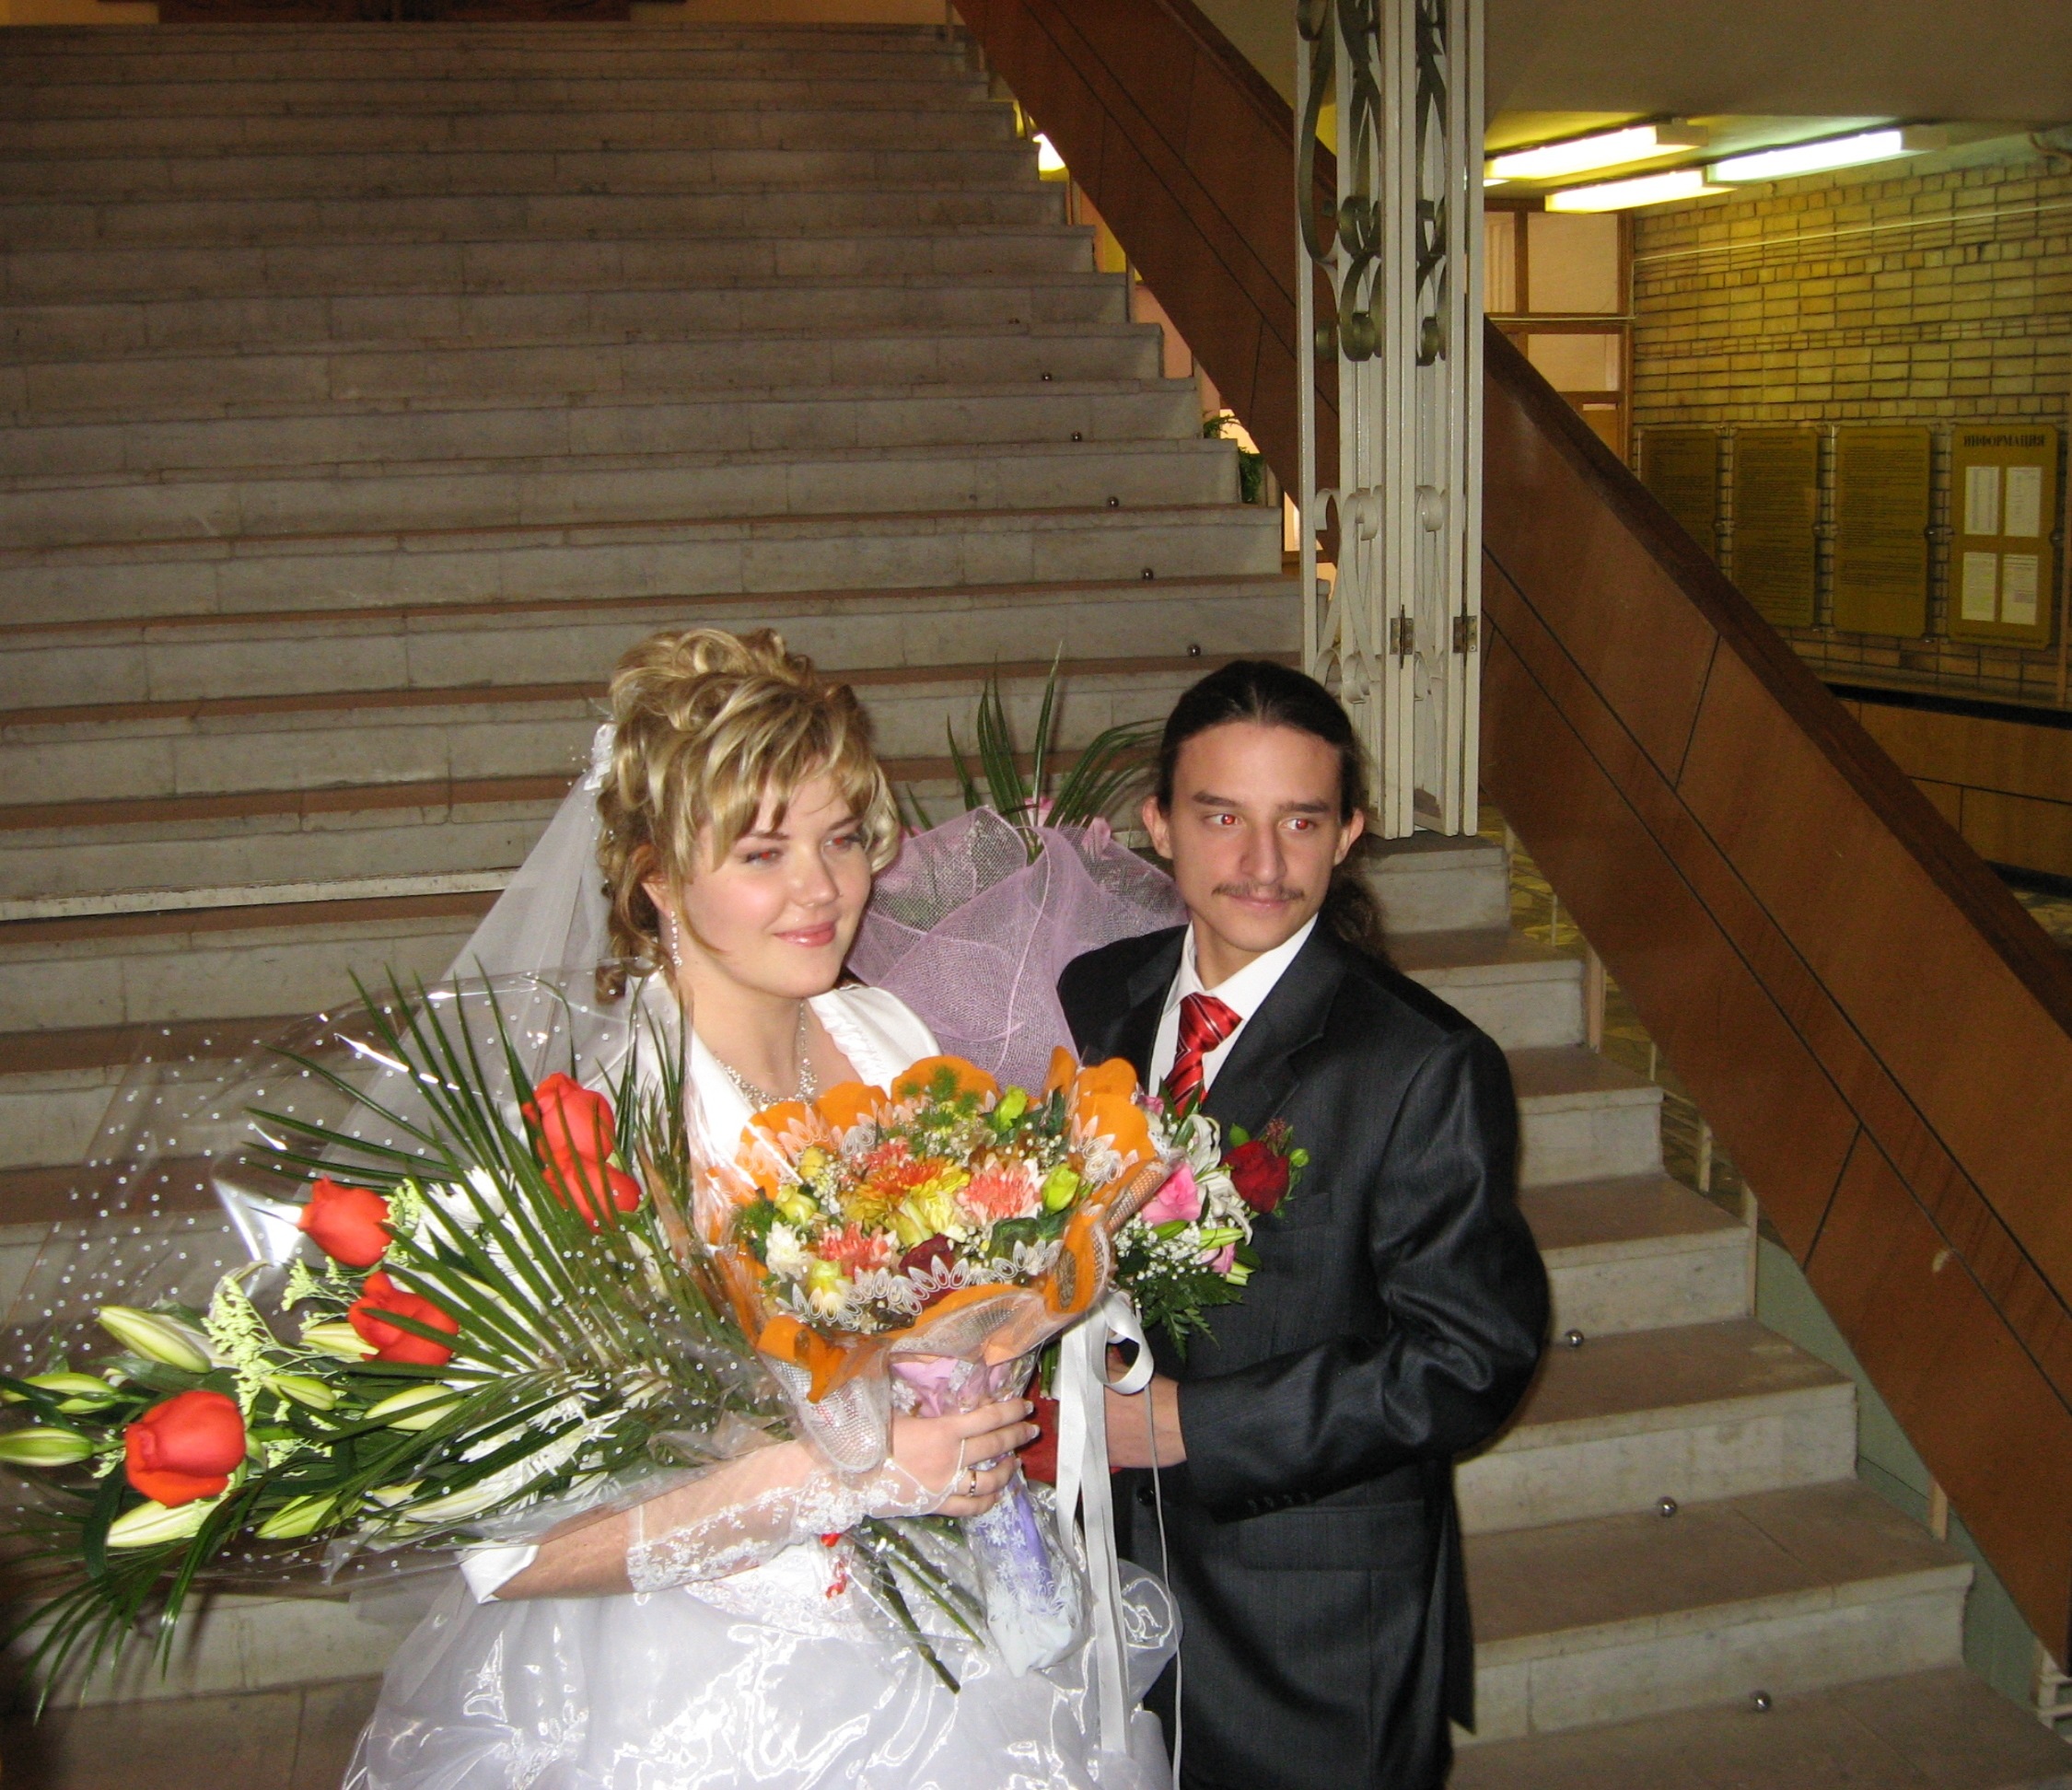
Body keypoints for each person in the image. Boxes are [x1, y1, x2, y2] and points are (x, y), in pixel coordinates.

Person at [346, 628, 1171, 1790]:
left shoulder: (882, 1032)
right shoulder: (615, 1129)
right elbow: (512, 1551)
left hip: (946, 1616)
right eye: (762, 853)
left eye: (840, 839)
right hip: (716, 1686)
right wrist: (860, 1476)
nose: (821, 889)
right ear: (656, 879)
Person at [1057, 660, 1549, 1790]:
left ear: (1348, 835)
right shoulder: (1100, 996)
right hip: (1105, 1586)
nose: (1262, 863)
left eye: (1301, 821)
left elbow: (1470, 1359)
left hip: (1312, 1630)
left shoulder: (1420, 1063)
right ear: (1158, 825)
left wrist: (1193, 1426)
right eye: (1222, 817)